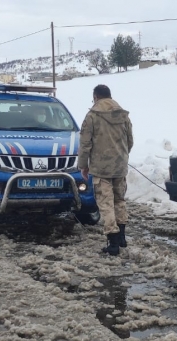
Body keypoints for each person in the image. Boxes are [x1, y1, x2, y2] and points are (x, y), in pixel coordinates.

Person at [78, 84, 133, 256]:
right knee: (120, 200)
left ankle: (113, 242)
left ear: (95, 97)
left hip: (101, 167)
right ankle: (122, 236)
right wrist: (122, 155)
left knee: (106, 203)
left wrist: (83, 165)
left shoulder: (92, 116)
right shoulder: (123, 115)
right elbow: (130, 140)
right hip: (120, 165)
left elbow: (85, 144)